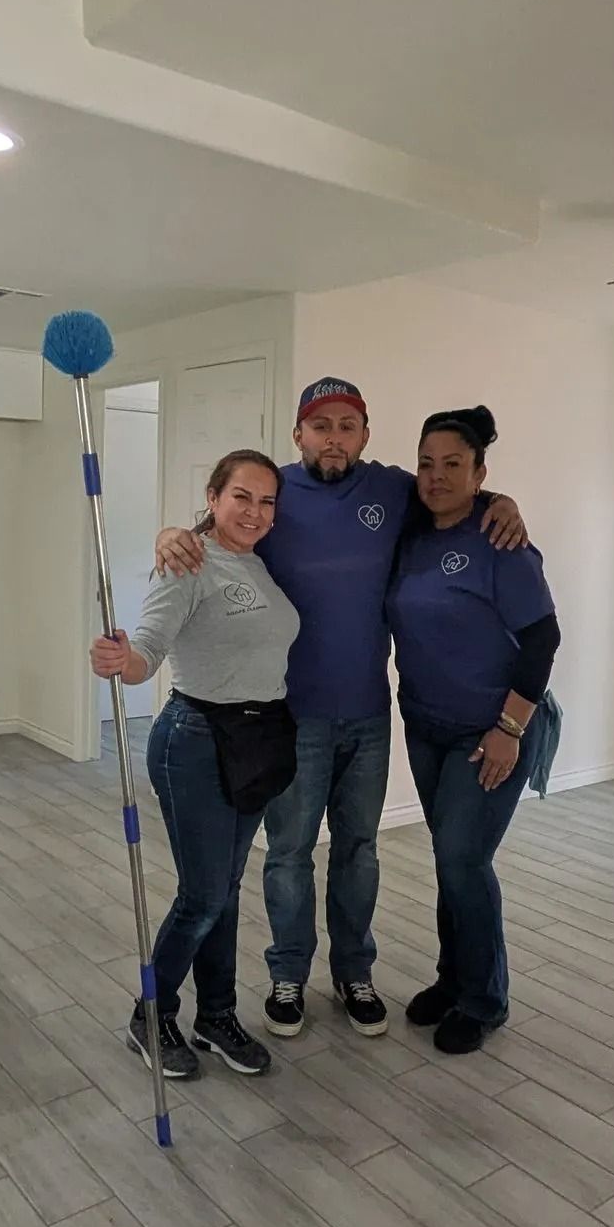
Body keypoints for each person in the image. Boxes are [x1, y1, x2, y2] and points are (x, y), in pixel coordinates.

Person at [154, 378, 527, 1044]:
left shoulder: (387, 490)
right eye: (319, 424)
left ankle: (355, 972)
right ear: (298, 434)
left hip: (368, 714)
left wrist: (503, 500)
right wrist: (171, 533)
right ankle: (288, 975)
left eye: (347, 424)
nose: (333, 436)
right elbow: (211, 531)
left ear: (364, 433)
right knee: (290, 851)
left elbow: (452, 494)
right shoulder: (273, 496)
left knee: (358, 850)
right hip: (288, 718)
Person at [91, 449, 296, 1081]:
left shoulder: (259, 563)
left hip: (254, 743)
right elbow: (147, 650)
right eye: (242, 496)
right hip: (195, 740)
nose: (255, 511)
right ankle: (150, 1016)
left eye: (267, 501)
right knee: (204, 895)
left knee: (224, 893)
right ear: (213, 497)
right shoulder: (187, 563)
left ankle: (216, 1015)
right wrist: (121, 661)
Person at [388, 405, 560, 1054]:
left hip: (491, 730)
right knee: (449, 858)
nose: (436, 476)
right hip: (426, 723)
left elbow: (543, 638)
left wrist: (510, 729)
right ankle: (451, 977)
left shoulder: (502, 540)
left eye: (453, 464)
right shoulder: (409, 532)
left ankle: (485, 998)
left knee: (463, 858)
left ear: (479, 471)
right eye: (426, 463)